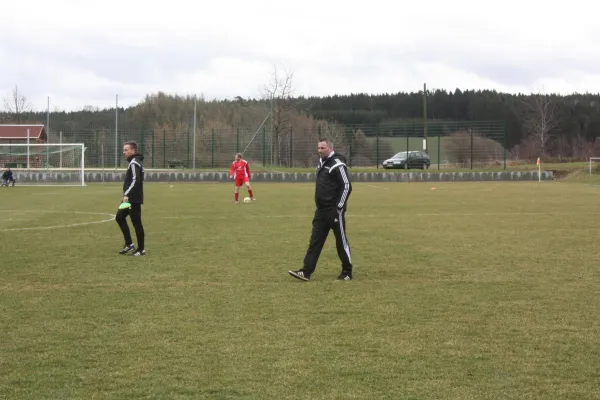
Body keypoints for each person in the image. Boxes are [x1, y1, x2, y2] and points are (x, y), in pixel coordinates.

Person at [288, 138, 353, 281]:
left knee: (341, 242)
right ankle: (306, 272)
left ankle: (347, 271)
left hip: (334, 211)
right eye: (318, 148)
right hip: (321, 211)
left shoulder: (337, 164)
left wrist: (339, 208)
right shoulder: (321, 162)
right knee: (315, 241)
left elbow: (347, 186)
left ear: (330, 148)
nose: (319, 151)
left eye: (322, 148)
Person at [115, 141, 146, 256]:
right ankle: (129, 244)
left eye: (126, 150)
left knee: (136, 223)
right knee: (119, 217)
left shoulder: (134, 163)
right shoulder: (135, 162)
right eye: (123, 150)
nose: (124, 152)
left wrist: (126, 194)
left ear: (133, 150)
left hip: (132, 199)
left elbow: (135, 180)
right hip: (129, 198)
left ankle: (141, 249)